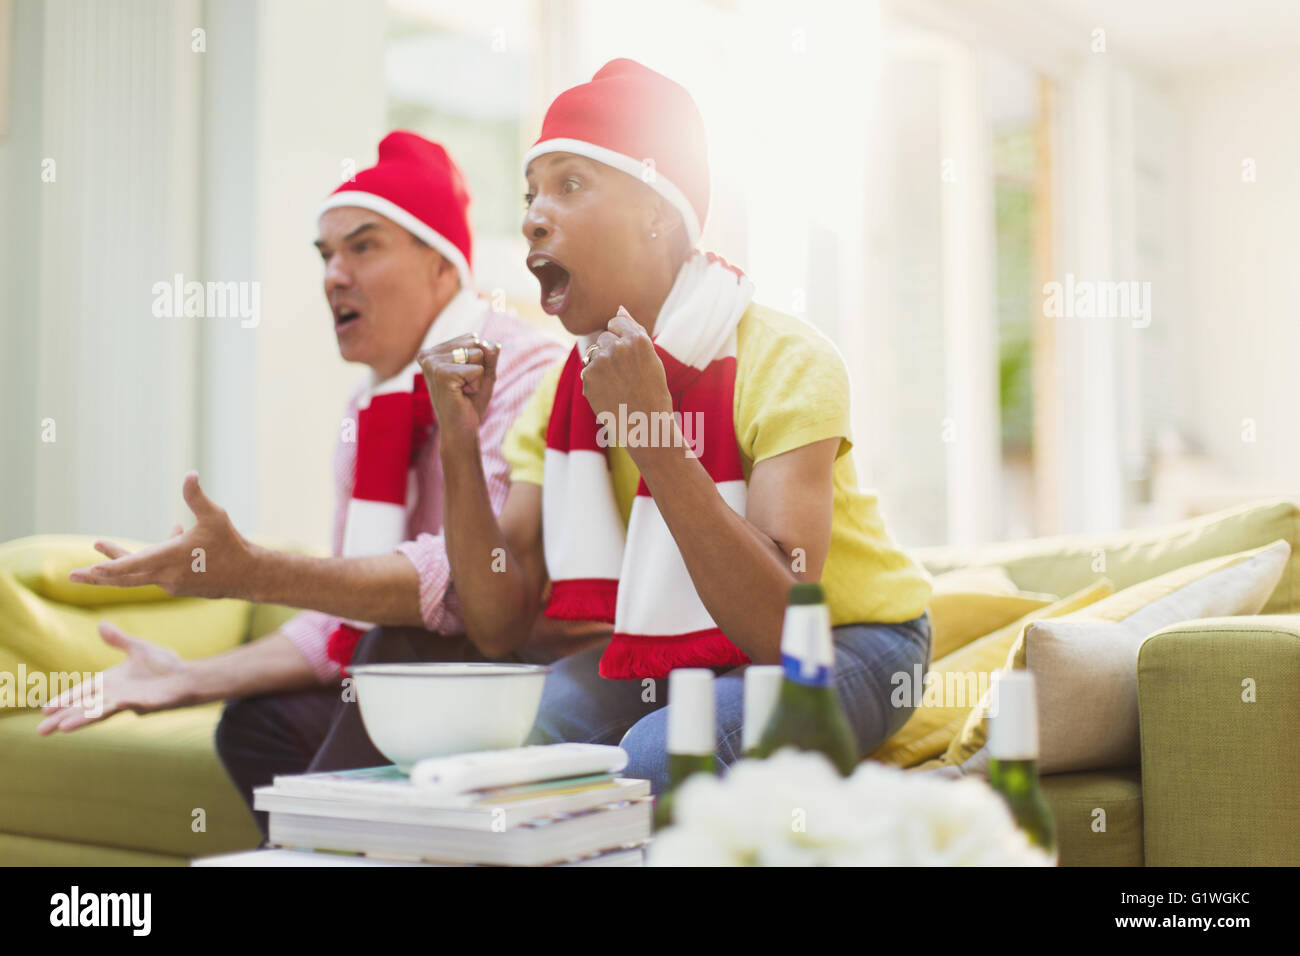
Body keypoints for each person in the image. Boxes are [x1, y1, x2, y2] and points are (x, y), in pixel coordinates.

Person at [39, 132, 575, 834]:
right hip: (424, 661)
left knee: (400, 652)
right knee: (257, 724)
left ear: (442, 266)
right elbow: (341, 612)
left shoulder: (526, 368)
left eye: (363, 246)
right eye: (326, 256)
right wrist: (185, 675)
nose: (333, 275)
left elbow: (462, 585)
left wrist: (254, 573)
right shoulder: (368, 411)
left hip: (521, 661)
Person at [423, 59, 934, 792]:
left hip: (853, 638)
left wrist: (652, 432)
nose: (533, 215)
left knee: (663, 755)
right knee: (525, 734)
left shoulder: (787, 360)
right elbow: (499, 624)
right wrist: (460, 445)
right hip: (700, 648)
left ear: (658, 213)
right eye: (531, 193)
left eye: (569, 185)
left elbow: (778, 631)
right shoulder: (562, 395)